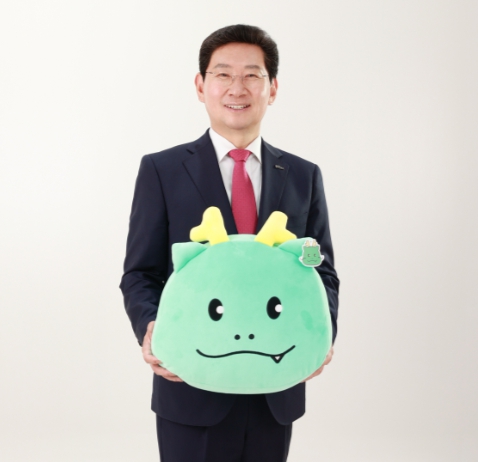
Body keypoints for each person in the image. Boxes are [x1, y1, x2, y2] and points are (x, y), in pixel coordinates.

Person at [120, 24, 339, 462]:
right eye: (223, 74)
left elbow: (323, 273)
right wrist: (151, 327)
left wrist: (320, 332)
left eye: (252, 75)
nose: (237, 88)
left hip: (275, 382)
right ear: (201, 86)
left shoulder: (303, 175)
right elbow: (140, 273)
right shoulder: (162, 170)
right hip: (190, 383)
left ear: (272, 88)